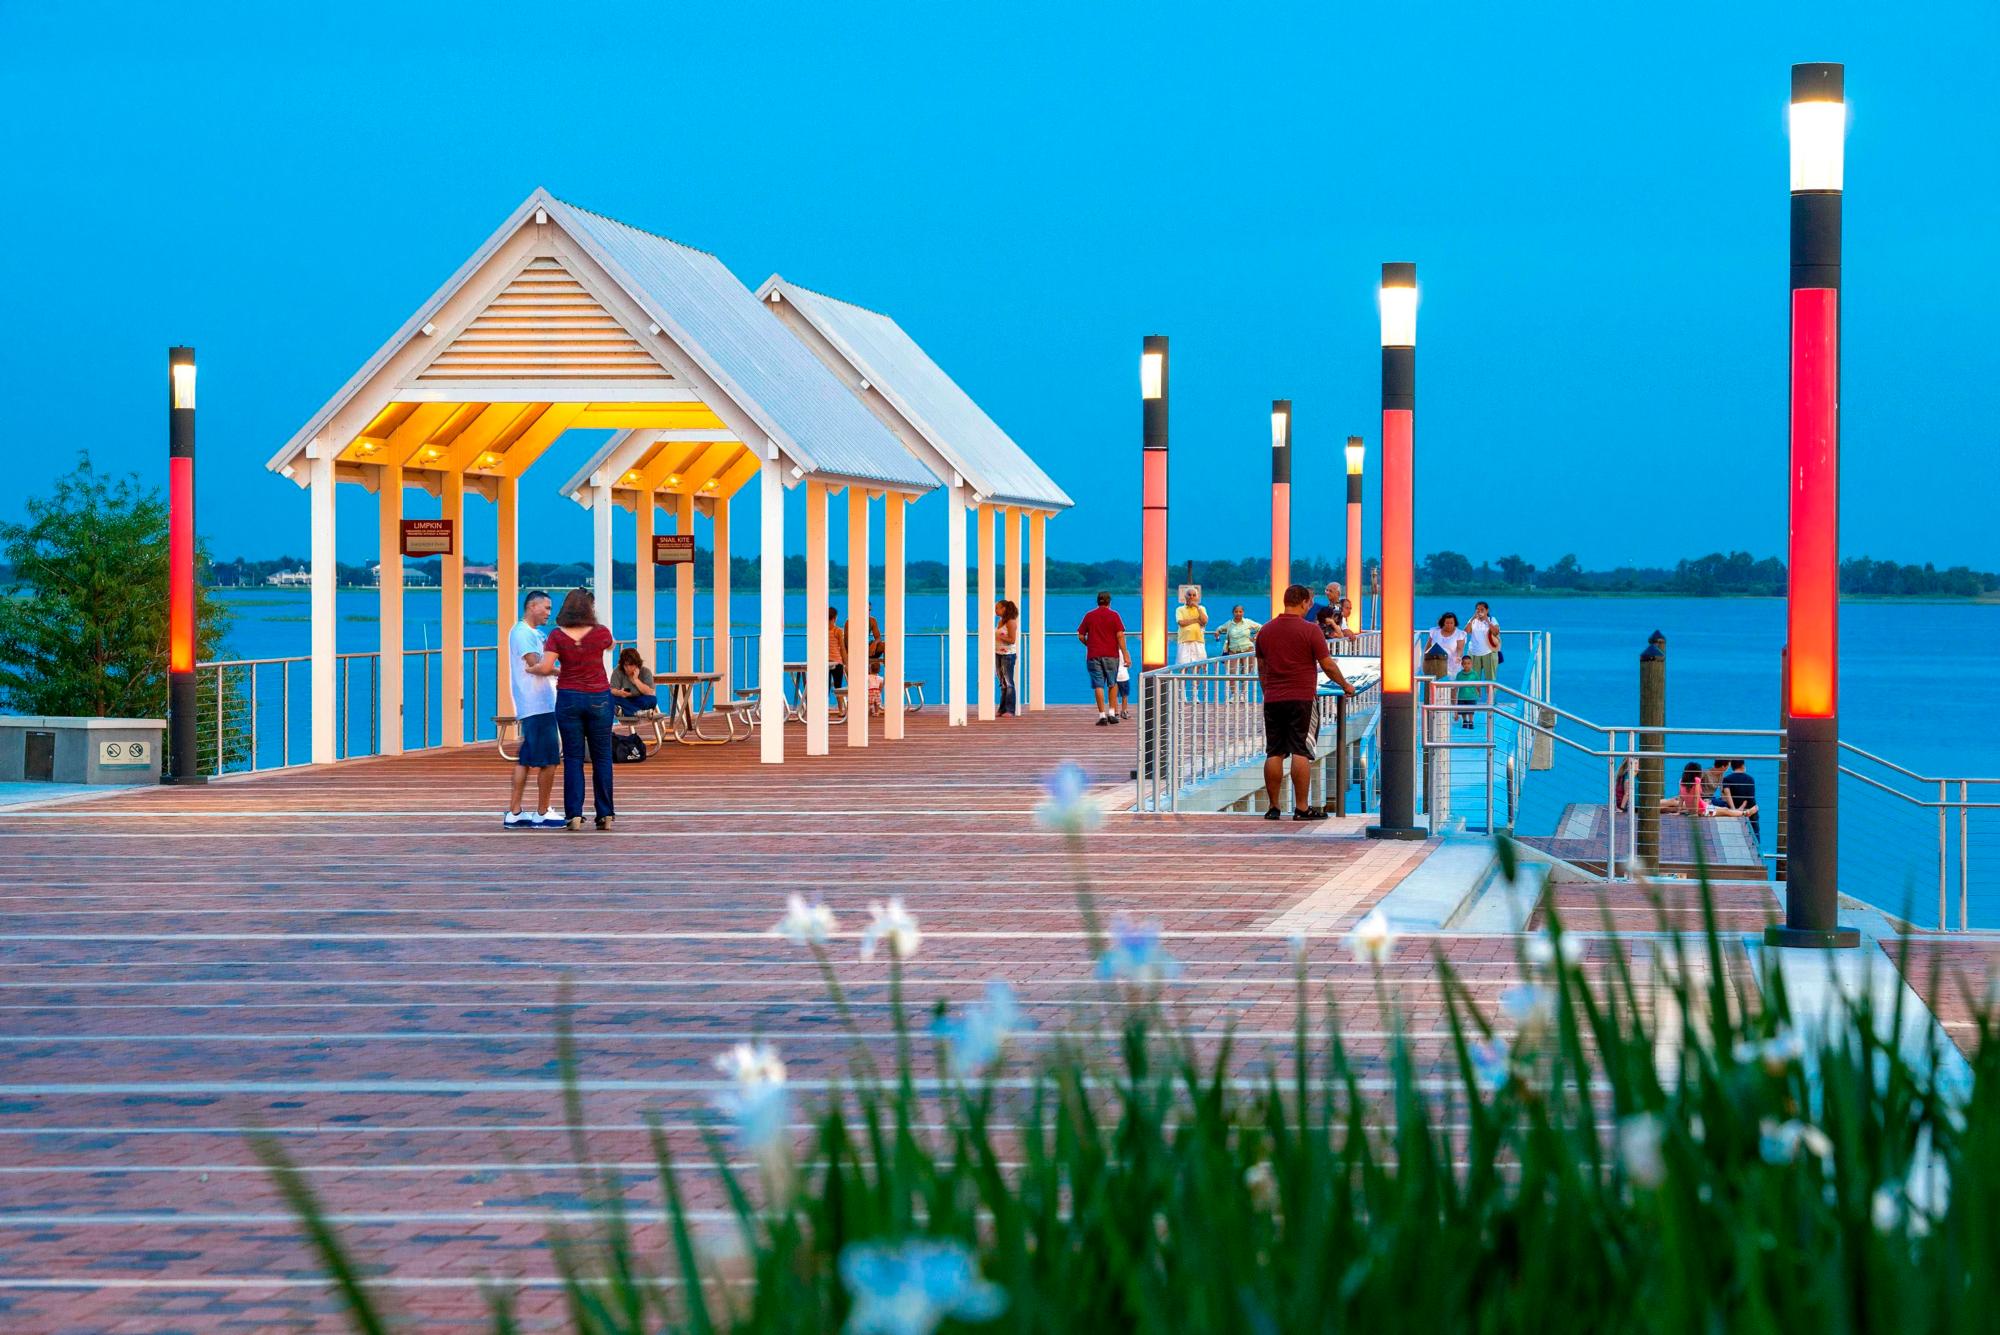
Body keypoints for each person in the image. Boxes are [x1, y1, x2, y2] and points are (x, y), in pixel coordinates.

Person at [1254, 584, 1353, 821]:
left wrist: (1267, 691)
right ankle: (1301, 808)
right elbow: (1327, 664)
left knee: (1274, 751)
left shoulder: (1265, 631)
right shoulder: (1310, 630)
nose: (1310, 606)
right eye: (1309, 602)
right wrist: (1345, 685)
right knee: (1301, 750)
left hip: (1273, 698)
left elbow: (1262, 667)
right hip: (1302, 698)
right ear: (1303, 603)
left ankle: (1274, 808)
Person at [535, 587, 616, 832]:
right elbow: (611, 646)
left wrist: (532, 669)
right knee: (602, 757)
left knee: (573, 757)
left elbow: (546, 667)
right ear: (589, 609)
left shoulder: (557, 636)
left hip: (569, 698)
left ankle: (574, 815)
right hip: (599, 697)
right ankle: (605, 813)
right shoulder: (601, 632)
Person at [503, 589, 562, 830]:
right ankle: (542, 812)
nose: (549, 612)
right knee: (550, 760)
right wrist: (566, 672)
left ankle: (515, 812)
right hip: (537, 705)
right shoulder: (523, 633)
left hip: (539, 703)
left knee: (526, 758)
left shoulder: (535, 633)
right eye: (546, 608)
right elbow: (536, 664)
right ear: (532, 606)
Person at [1076, 591, 1129, 726]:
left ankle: (1102, 715)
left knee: (1098, 685)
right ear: (1109, 602)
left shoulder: (1089, 615)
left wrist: (1090, 645)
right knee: (1112, 683)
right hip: (1111, 654)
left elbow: (1080, 635)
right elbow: (1120, 635)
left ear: (1097, 601)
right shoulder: (1114, 615)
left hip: (1094, 655)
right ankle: (1111, 713)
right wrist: (1125, 654)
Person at [1427, 611, 1470, 728]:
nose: (1449, 625)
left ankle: (1455, 711)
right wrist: (1425, 660)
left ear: (1455, 623)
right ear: (1443, 623)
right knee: (1435, 688)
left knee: (1453, 690)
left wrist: (1459, 657)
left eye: (1452, 623)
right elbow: (1428, 646)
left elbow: (1460, 648)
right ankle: (1434, 710)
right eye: (1447, 623)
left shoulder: (1459, 634)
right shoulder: (1435, 632)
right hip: (1436, 664)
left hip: (1452, 665)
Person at [609, 647, 657, 718]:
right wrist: (619, 692)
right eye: (626, 665)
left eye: (631, 665)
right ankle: (638, 712)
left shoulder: (645, 671)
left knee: (652, 700)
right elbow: (612, 690)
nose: (628, 668)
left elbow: (650, 692)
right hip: (624, 700)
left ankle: (627, 711)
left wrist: (636, 680)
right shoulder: (617, 671)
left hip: (639, 699)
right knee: (610, 698)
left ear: (637, 664)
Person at [1719, 759, 1760, 836]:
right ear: (1743, 766)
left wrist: (1734, 810)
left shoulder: (1727, 779)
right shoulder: (1750, 779)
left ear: (1732, 767)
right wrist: (1743, 807)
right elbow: (1750, 798)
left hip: (1734, 810)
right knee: (1755, 832)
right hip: (1749, 810)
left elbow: (1727, 795)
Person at [994, 599, 1020, 717]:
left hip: (1008, 655)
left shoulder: (1011, 622)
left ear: (1004, 608)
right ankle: (1002, 708)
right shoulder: (1000, 622)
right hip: (998, 653)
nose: (995, 610)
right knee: (1002, 683)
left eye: (997, 608)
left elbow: (1012, 640)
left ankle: (1010, 710)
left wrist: (1001, 637)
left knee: (1009, 683)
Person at [1464, 601, 1501, 682]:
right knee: (1473, 679)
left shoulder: (1492, 619)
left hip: (1488, 652)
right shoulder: (1473, 620)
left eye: (1482, 609)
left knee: (1490, 679)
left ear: (1487, 610)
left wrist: (1487, 621)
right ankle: (1475, 691)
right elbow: (1466, 631)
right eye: (1478, 609)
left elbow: (1496, 632)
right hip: (1474, 652)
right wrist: (1473, 618)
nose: (1479, 611)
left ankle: (1490, 691)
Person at [1175, 588, 1208, 665]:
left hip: (1198, 640)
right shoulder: (1179, 609)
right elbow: (1181, 622)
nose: (1191, 597)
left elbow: (1204, 621)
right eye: (1189, 595)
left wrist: (1197, 607)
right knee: (1182, 665)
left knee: (1199, 664)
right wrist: (1196, 620)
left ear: (1197, 597)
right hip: (1184, 641)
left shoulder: (1202, 608)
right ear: (1185, 596)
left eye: (1194, 595)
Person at [827, 607, 847, 696]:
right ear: (835, 618)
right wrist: (846, 663)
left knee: (825, 689)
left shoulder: (822, 631)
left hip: (825, 663)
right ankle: (840, 705)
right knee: (838, 689)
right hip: (837, 662)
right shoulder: (838, 631)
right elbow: (842, 648)